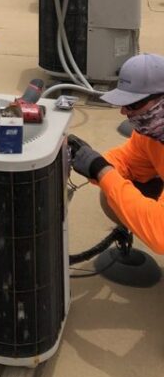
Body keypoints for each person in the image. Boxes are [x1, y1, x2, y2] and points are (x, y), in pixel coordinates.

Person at [68, 53, 164, 253]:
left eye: (134, 104)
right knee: (111, 195)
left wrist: (102, 172)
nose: (124, 112)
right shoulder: (152, 133)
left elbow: (161, 234)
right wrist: (93, 162)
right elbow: (129, 162)